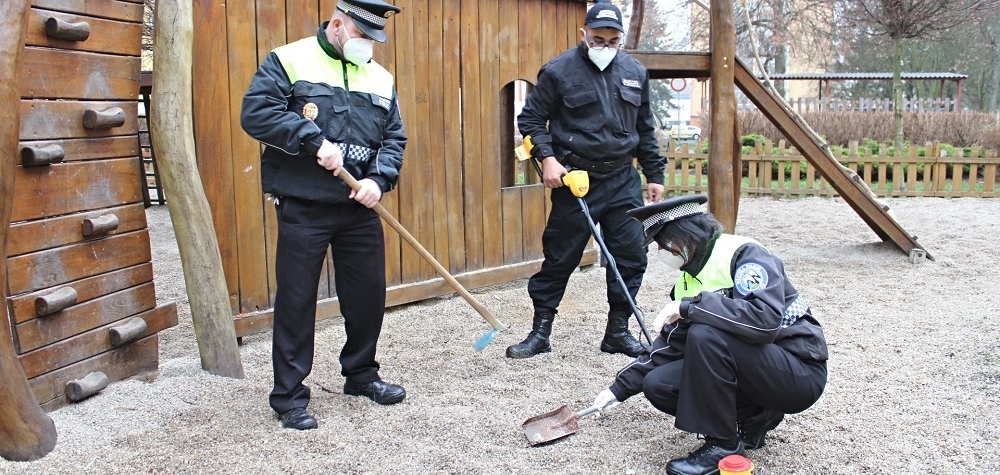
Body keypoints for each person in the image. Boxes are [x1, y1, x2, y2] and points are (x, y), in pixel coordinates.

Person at [240, 0, 407, 430]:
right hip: (303, 204)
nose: (368, 46)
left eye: (374, 40)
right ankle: (290, 397)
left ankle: (362, 374)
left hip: (358, 206)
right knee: (296, 301)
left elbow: (394, 138)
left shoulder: (381, 78)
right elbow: (256, 114)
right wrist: (310, 139)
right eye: (362, 36)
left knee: (368, 294)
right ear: (337, 25)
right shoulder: (290, 59)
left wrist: (378, 180)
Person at [590, 194, 829, 475]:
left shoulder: (744, 254)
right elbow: (670, 346)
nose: (659, 251)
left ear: (684, 235)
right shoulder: (686, 282)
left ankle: (724, 446)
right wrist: (620, 387)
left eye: (661, 242)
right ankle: (757, 413)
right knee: (658, 384)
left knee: (705, 334)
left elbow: (765, 321)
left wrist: (692, 307)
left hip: (797, 369)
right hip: (756, 370)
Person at [509, 1, 666, 359]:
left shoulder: (635, 72)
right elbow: (531, 120)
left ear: (621, 39)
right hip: (575, 179)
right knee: (561, 256)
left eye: (613, 41)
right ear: (583, 34)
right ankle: (540, 332)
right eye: (597, 39)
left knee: (630, 256)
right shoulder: (559, 71)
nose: (605, 46)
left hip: (623, 178)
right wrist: (547, 159)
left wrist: (654, 173)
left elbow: (644, 127)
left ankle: (617, 333)